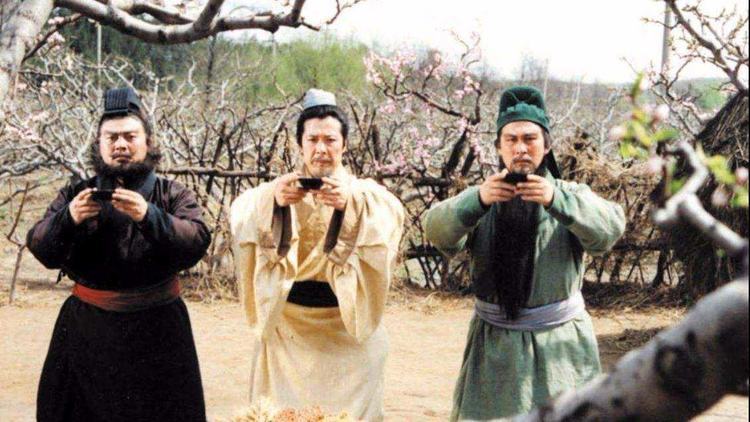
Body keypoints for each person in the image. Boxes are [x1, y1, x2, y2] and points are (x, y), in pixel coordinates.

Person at [424, 86, 626, 420]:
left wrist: (556, 200)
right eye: (511, 139)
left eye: (530, 139)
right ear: (498, 147)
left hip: (560, 348)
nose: (520, 148)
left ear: (546, 146)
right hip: (494, 349)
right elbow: (436, 230)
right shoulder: (482, 198)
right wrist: (478, 200)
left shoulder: (569, 194)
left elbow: (609, 230)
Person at [27, 87, 210, 421]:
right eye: (111, 138)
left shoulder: (170, 193)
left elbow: (196, 241)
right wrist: (68, 218)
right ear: (99, 145)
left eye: (130, 136)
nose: (120, 145)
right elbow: (40, 247)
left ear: (148, 142)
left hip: (159, 330)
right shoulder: (77, 194)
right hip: (87, 329)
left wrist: (149, 216)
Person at [230, 89, 404, 420]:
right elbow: (240, 214)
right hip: (289, 331)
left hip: (347, 330)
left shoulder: (365, 194)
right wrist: (273, 200)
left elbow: (392, 214)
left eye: (330, 140)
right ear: (300, 144)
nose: (321, 149)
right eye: (312, 140)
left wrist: (352, 204)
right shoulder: (278, 190)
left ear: (344, 145)